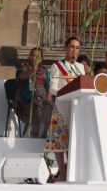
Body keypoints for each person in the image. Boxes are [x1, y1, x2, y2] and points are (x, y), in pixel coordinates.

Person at [44, 37, 85, 181]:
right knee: (60, 142)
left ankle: (71, 171)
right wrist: (66, 92)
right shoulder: (57, 66)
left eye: (77, 48)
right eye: (72, 47)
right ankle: (62, 172)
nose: (74, 50)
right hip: (62, 107)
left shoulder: (81, 67)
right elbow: (53, 88)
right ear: (66, 48)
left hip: (76, 109)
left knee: (72, 142)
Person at [16, 48, 52, 138]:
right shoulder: (24, 66)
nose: (33, 57)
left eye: (36, 56)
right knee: (35, 108)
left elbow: (49, 86)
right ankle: (34, 136)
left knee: (51, 108)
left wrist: (49, 95)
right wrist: (32, 70)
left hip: (43, 97)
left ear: (41, 58)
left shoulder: (45, 70)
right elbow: (20, 77)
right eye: (31, 55)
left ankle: (45, 135)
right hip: (28, 98)